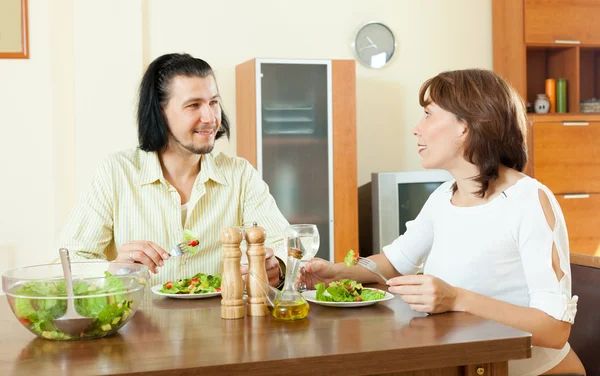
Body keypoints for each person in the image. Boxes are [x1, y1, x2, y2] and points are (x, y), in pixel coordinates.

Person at [300, 69, 586, 376]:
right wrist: (335, 272)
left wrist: (456, 298)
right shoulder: (443, 197)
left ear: (466, 125)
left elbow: (555, 330)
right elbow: (396, 262)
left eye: (427, 115)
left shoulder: (529, 200)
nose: (416, 129)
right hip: (462, 365)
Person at [59, 53, 289, 287]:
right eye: (193, 105)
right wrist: (114, 268)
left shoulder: (240, 174)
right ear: (160, 112)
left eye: (214, 102)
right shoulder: (115, 173)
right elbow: (67, 263)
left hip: (224, 321)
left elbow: (284, 244)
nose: (210, 117)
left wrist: (277, 267)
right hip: (141, 322)